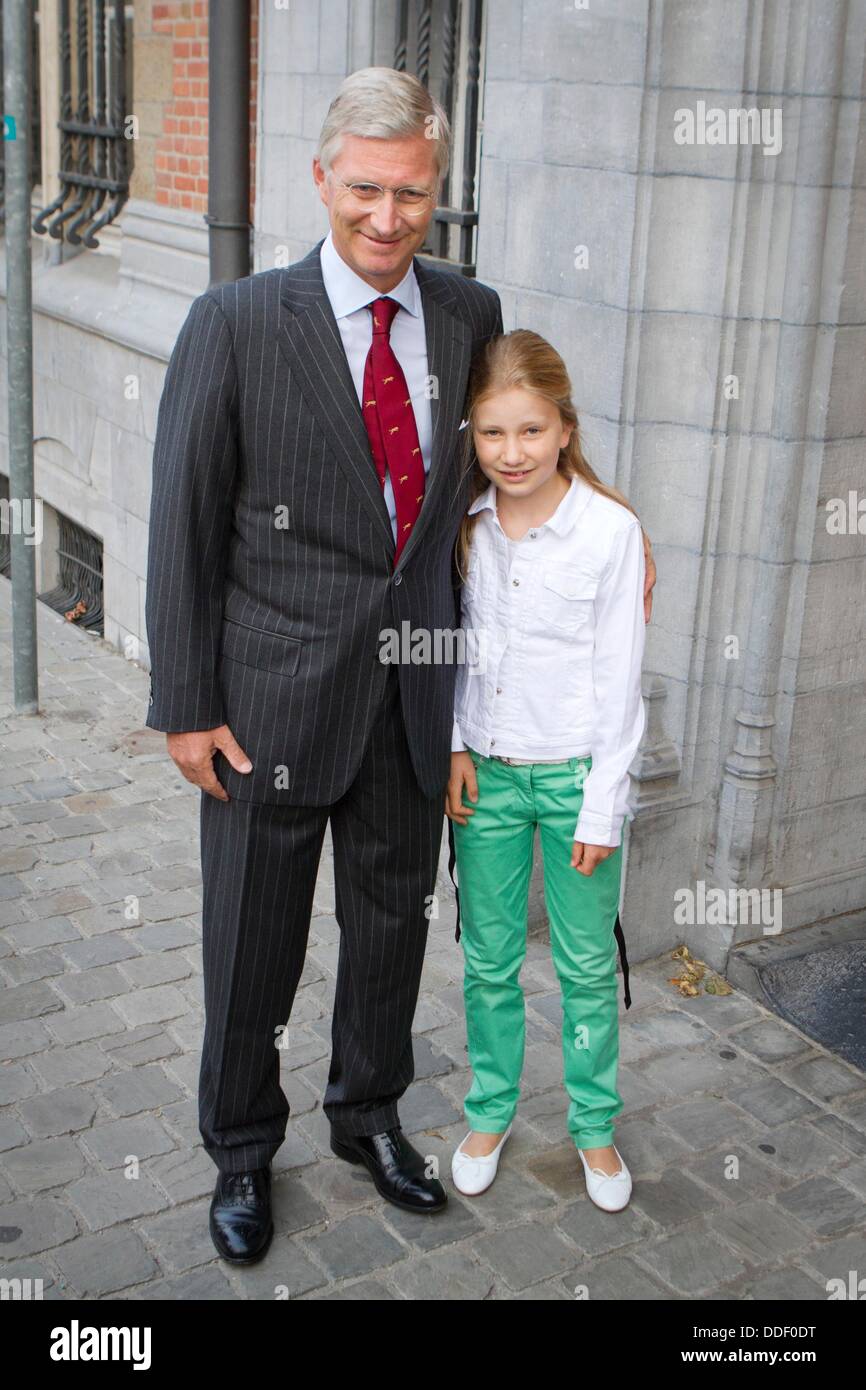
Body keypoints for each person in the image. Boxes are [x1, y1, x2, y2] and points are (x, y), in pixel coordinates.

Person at [145, 66, 657, 1265]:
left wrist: (607, 530)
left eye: (411, 196)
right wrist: (184, 706)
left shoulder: (471, 313)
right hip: (265, 704)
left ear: (439, 191)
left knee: (391, 929)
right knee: (251, 942)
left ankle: (366, 1116)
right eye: (364, 190)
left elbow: (510, 456)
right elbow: (181, 519)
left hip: (416, 695)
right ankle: (238, 1147)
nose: (386, 219)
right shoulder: (232, 323)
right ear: (321, 179)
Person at [445, 329, 647, 1213]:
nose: (512, 453)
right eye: (493, 435)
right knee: (487, 960)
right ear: (472, 437)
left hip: (574, 781)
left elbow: (621, 678)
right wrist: (455, 742)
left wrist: (603, 804)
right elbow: (454, 651)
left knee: (584, 966)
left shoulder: (611, 532)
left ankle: (594, 1128)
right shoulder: (466, 527)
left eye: (530, 431)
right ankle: (489, 1110)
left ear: (564, 429)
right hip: (484, 776)